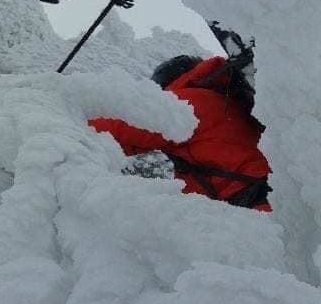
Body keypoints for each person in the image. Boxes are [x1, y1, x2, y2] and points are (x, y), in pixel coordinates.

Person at [90, 54, 271, 211]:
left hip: (250, 206)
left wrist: (72, 116)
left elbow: (126, 125)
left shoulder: (190, 101)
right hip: (267, 203)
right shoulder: (225, 104)